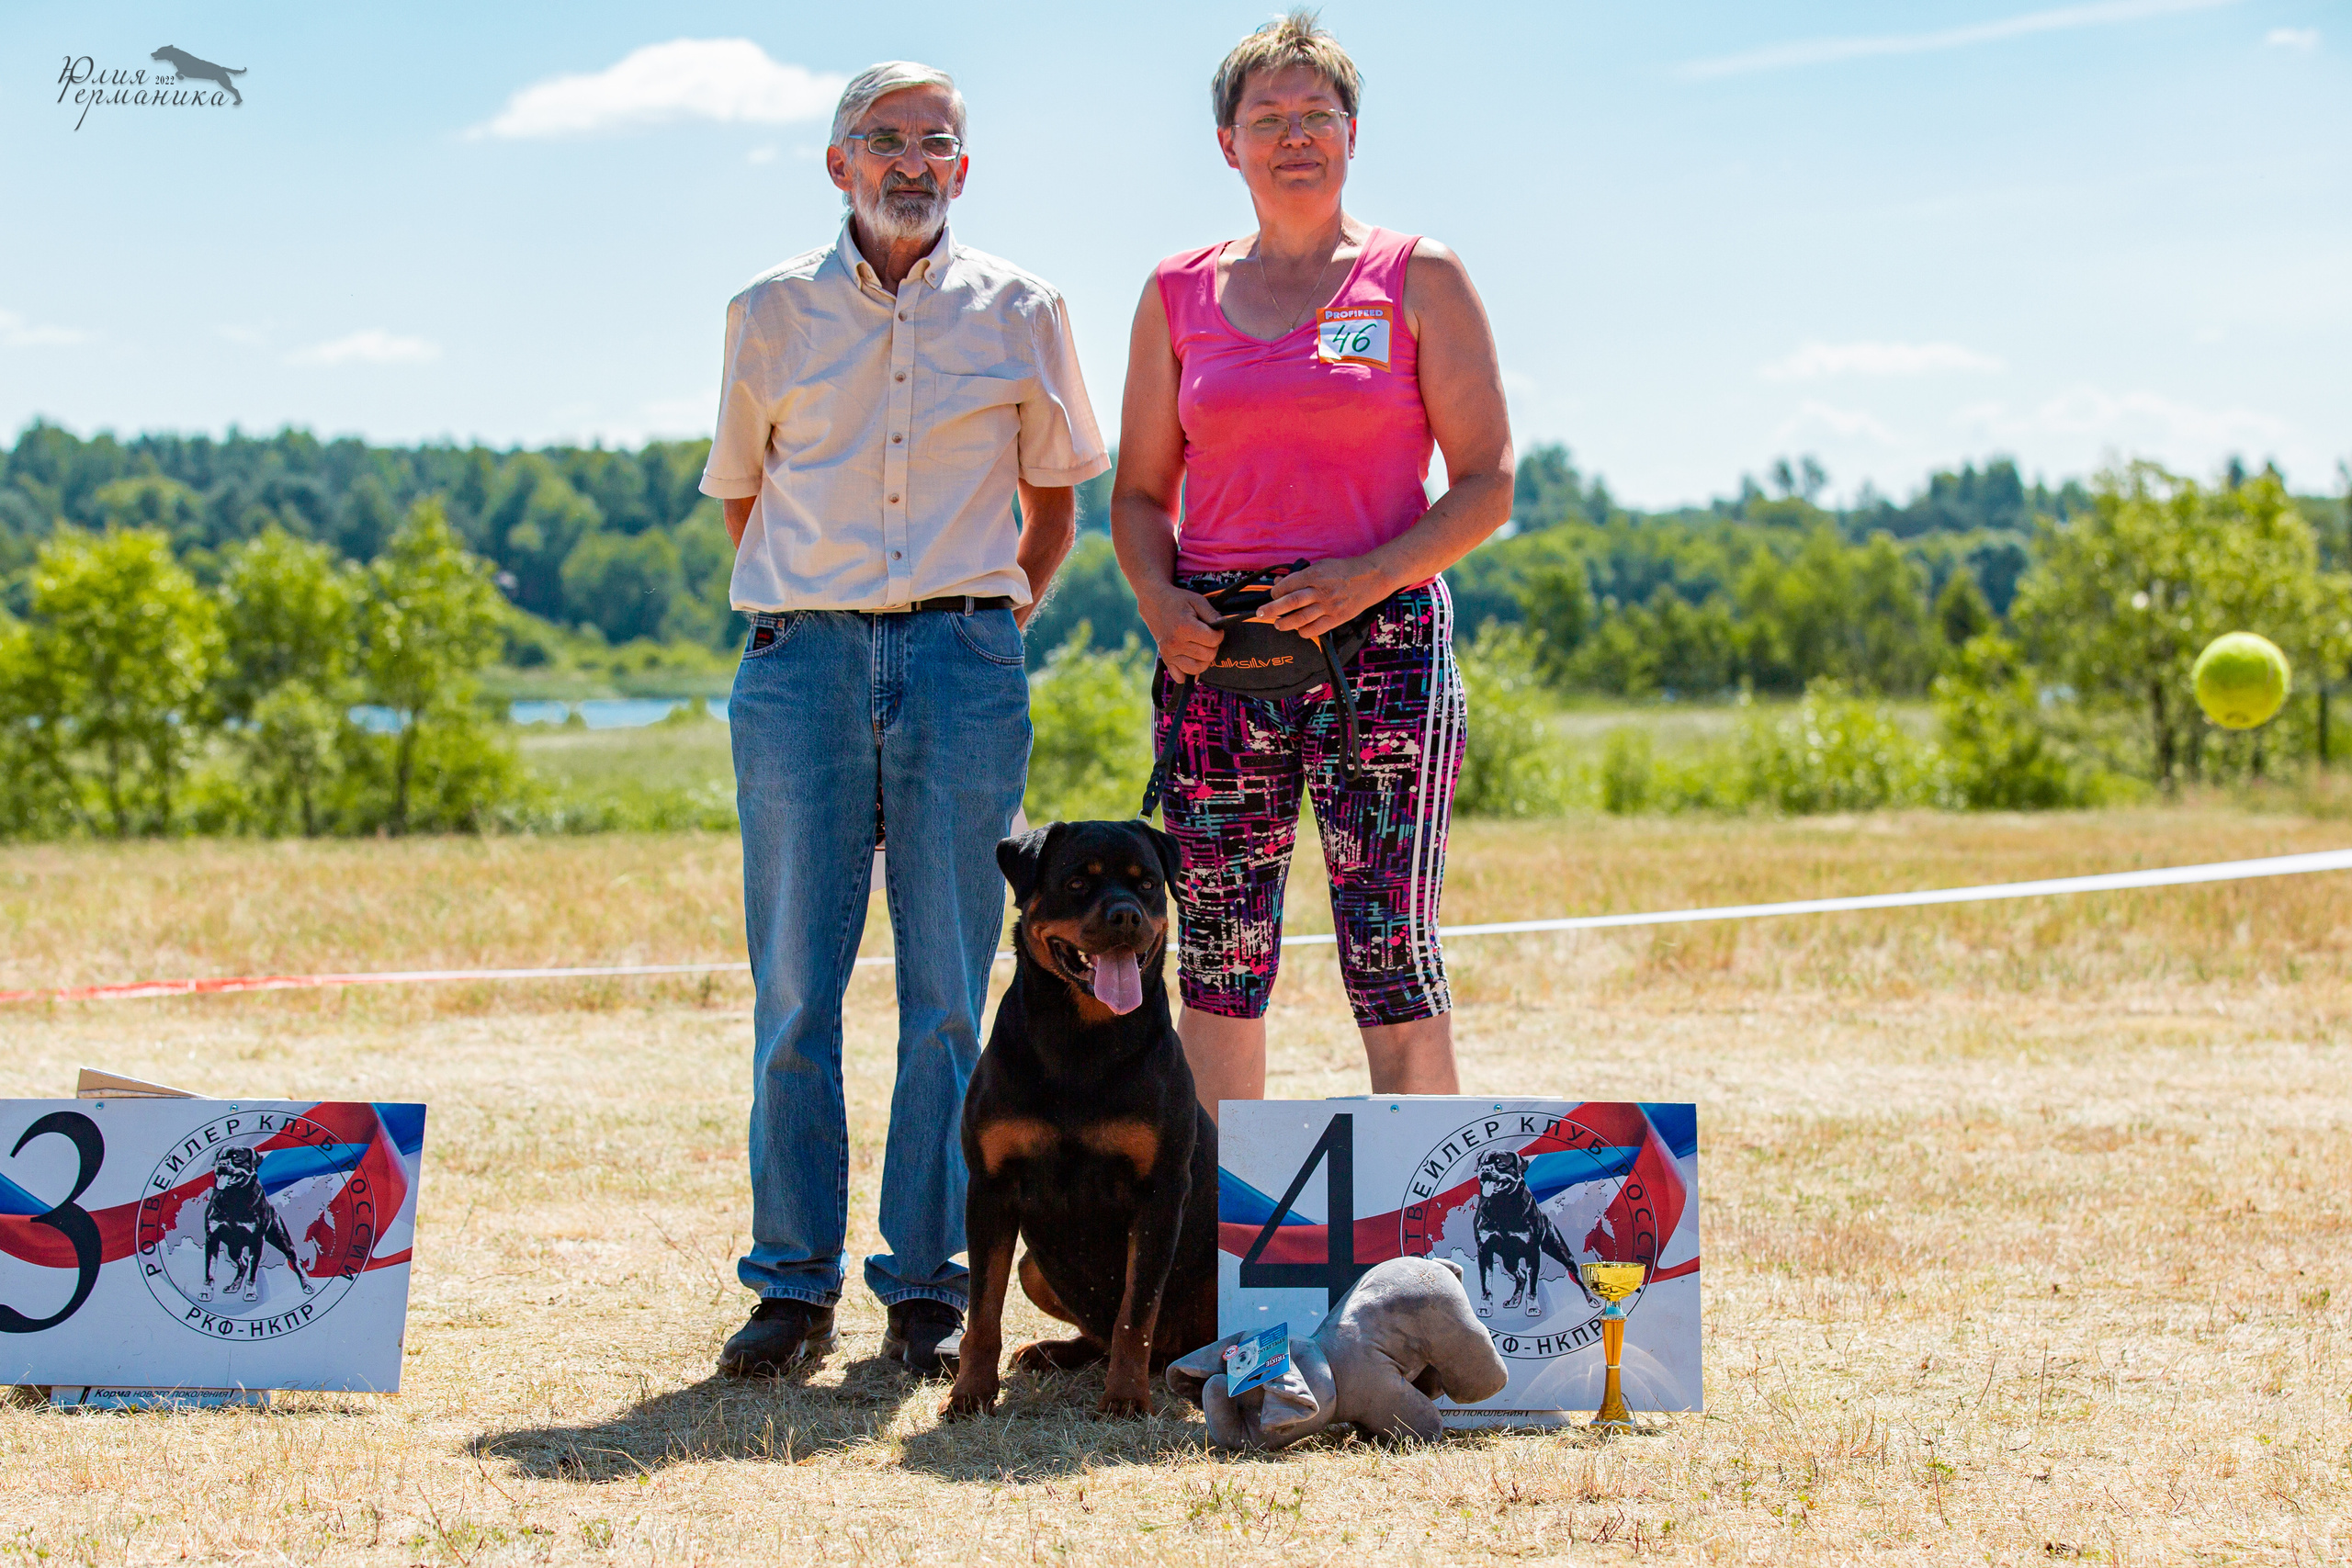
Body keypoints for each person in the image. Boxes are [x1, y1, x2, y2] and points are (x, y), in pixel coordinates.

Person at [698, 62, 1110, 1376]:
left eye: (939, 141)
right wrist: (824, 612)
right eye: (886, 140)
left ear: (964, 169)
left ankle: (928, 1283)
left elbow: (1055, 510)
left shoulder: (1027, 309)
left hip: (962, 660)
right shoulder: (765, 312)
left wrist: (984, 626)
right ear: (838, 164)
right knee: (795, 993)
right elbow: (741, 495)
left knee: (948, 995)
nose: (913, 161)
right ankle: (792, 1284)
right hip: (799, 666)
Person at [1110, 11, 1513, 1119]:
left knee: (1389, 945)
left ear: (1351, 134)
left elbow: (1487, 484)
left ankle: (1427, 1229)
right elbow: (1140, 496)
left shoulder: (1416, 276)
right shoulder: (1176, 293)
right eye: (1267, 117)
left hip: (1378, 651)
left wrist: (1367, 577)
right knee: (1222, 961)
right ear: (1227, 143)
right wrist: (1158, 601)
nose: (1295, 136)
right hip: (1219, 660)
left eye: (1316, 115)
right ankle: (1215, 1254)